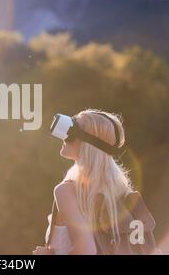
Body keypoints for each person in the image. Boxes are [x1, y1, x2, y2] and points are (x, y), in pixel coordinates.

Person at [33, 109, 134, 255]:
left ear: (86, 143)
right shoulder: (120, 191)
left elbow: (86, 251)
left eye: (71, 132)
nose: (64, 137)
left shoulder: (65, 191)